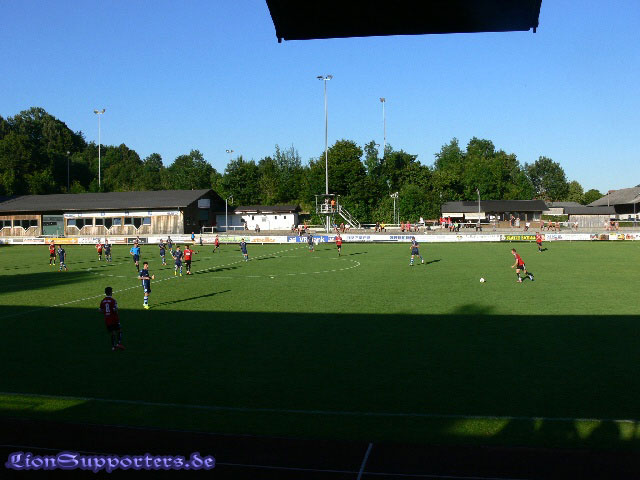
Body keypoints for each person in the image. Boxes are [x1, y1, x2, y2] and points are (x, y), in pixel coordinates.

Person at [99, 286, 124, 351]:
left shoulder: (103, 301)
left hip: (107, 319)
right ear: (110, 292)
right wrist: (116, 311)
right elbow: (114, 309)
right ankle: (119, 343)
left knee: (112, 332)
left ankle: (113, 347)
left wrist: (106, 312)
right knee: (119, 330)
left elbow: (100, 310)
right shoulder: (113, 300)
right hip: (114, 318)